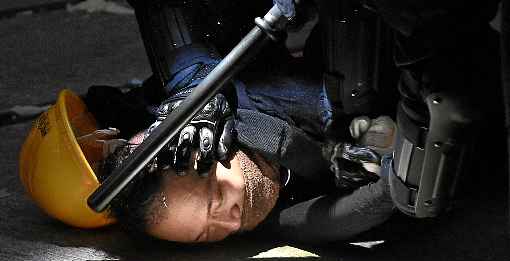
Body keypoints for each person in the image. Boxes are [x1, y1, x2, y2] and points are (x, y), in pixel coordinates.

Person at [80, 0, 399, 243]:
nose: (232, 222)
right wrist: (392, 183)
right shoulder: (268, 205)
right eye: (205, 235)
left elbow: (176, 32)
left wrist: (193, 89)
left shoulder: (241, 106)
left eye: (215, 192)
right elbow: (319, 220)